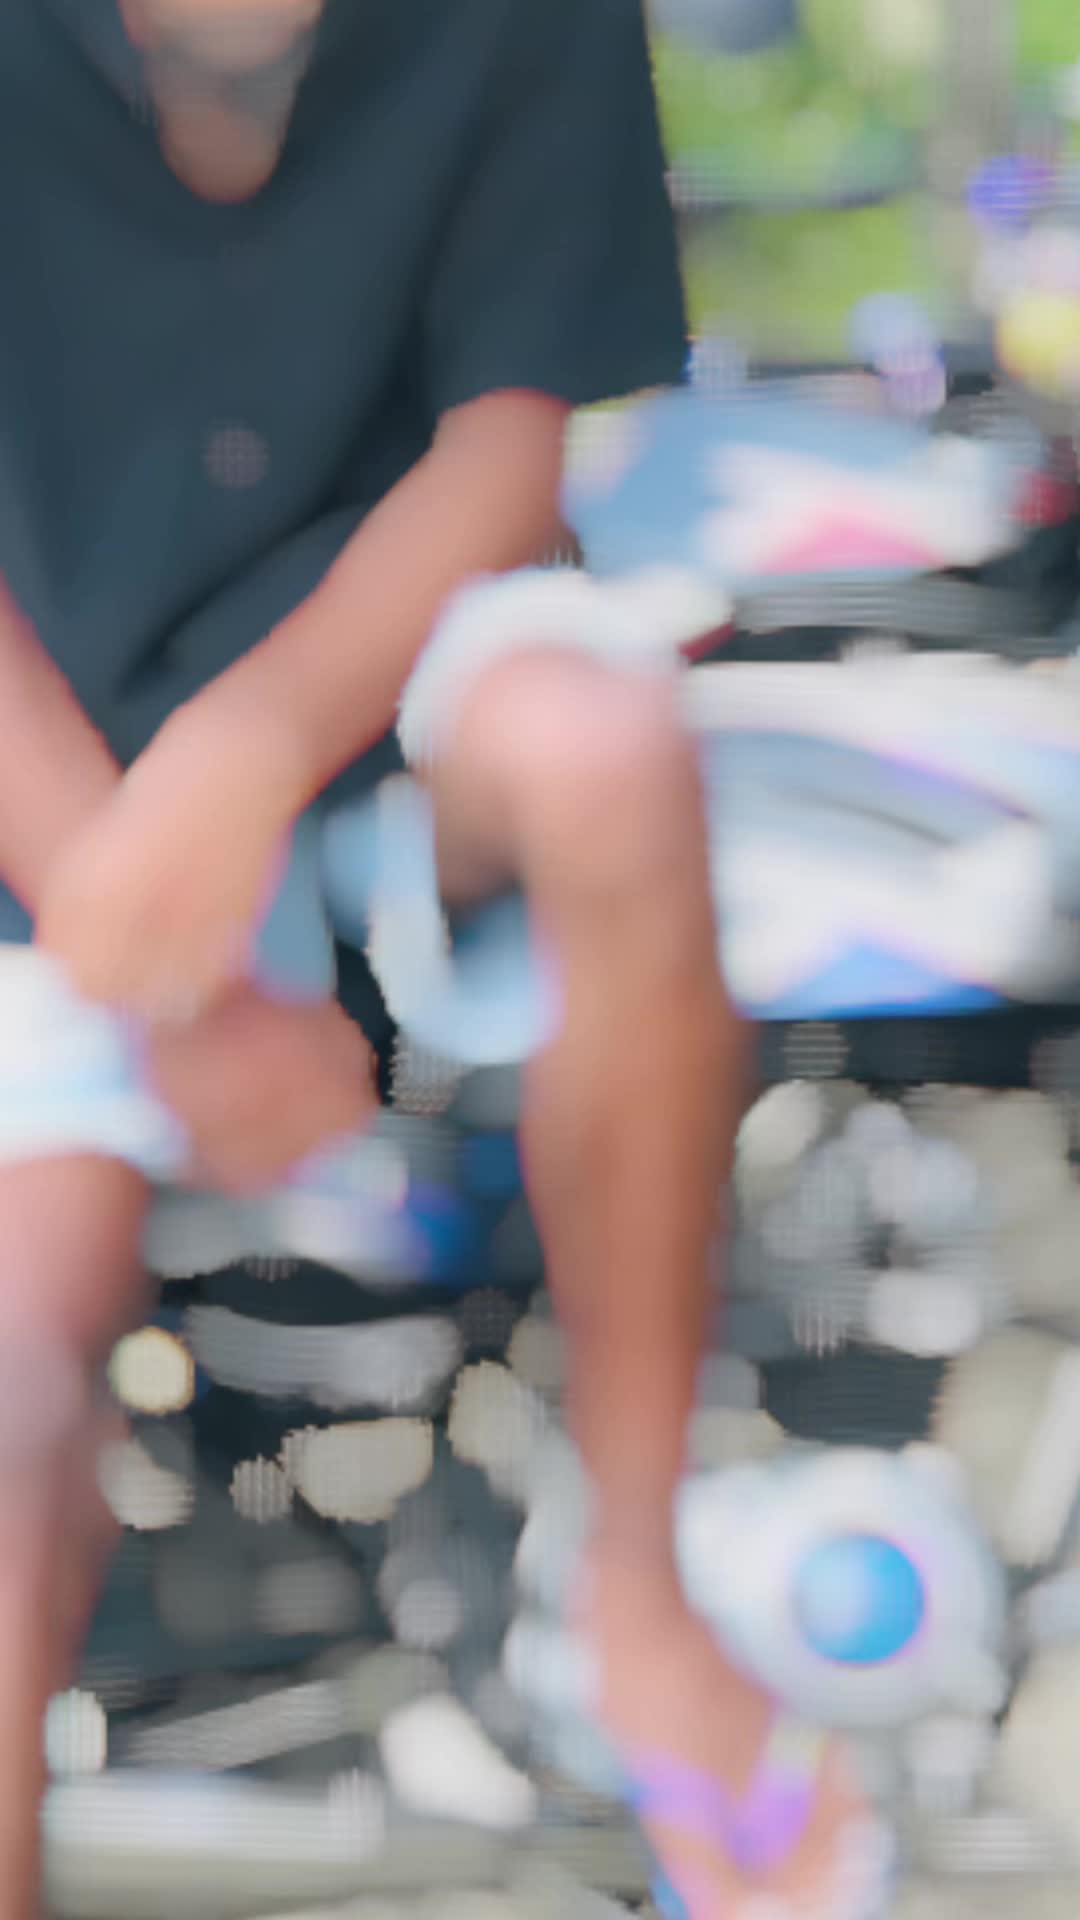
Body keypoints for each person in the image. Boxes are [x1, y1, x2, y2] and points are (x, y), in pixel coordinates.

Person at [0, 2, 862, 1914]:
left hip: (387, 707)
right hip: (41, 789)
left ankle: (635, 1589)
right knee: (9, 1418)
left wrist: (240, 761)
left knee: (604, 743)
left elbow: (509, 447)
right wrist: (166, 963)